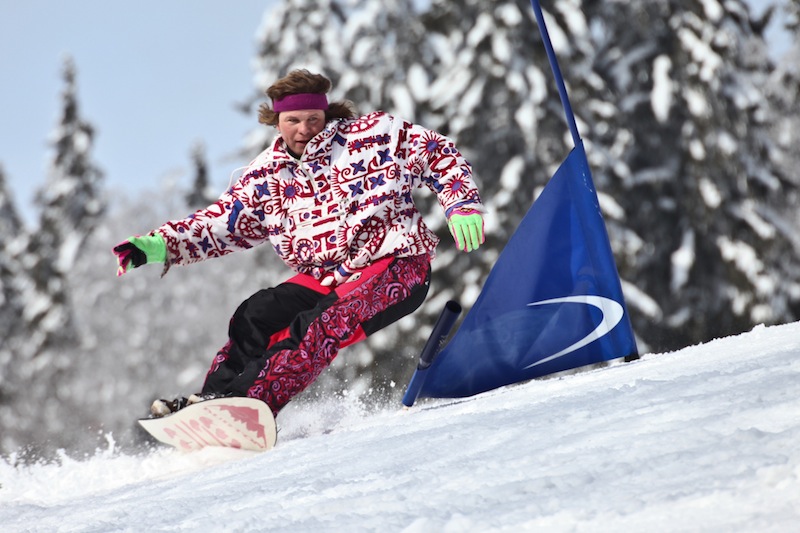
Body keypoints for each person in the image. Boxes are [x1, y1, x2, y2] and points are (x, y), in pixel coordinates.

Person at [113, 69, 485, 418]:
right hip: (324, 276)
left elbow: (437, 153)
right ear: (277, 121)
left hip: (396, 264)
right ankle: (214, 400)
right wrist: (157, 245)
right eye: (293, 121)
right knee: (255, 314)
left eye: (313, 119)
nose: (305, 129)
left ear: (326, 115)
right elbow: (218, 225)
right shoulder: (266, 175)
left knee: (318, 324)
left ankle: (252, 403)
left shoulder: (373, 138)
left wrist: (461, 203)